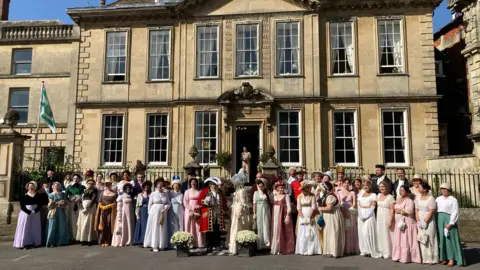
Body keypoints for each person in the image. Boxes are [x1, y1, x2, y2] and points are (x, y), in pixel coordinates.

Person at [436, 183, 465, 267]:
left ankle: (451, 259)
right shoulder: (438, 199)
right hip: (439, 218)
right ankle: (443, 258)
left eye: (445, 189)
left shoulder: (453, 200)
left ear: (449, 190)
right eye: (442, 189)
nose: (443, 190)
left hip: (448, 219)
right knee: (441, 239)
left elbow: (455, 212)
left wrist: (451, 223)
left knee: (449, 240)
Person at [392, 185, 421, 264]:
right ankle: (399, 255)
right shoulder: (398, 199)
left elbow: (410, 211)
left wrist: (400, 211)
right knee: (399, 239)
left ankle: (407, 257)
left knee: (405, 240)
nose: (400, 192)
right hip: (399, 223)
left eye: (402, 190)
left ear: (407, 191)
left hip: (407, 223)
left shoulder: (409, 200)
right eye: (400, 190)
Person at [199, 177, 228, 252]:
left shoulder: (219, 192)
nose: (215, 186)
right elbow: (199, 201)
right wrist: (205, 201)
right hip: (209, 213)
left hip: (218, 213)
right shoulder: (205, 191)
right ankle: (209, 245)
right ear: (210, 185)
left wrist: (226, 209)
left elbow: (224, 201)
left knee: (217, 229)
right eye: (213, 185)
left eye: (215, 185)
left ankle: (217, 244)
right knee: (209, 230)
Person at [318, 181, 345, 258]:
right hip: (329, 216)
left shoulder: (330, 196)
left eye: (321, 187)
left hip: (332, 216)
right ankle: (330, 250)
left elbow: (329, 208)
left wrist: (320, 208)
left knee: (332, 232)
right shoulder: (327, 195)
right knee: (329, 232)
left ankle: (333, 251)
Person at [295, 180, 322, 256]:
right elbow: (298, 208)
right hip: (302, 215)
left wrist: (309, 217)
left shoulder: (312, 196)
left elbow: (313, 207)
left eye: (306, 188)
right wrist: (303, 217)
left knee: (311, 231)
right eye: (303, 189)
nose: (305, 190)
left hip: (310, 214)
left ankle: (311, 249)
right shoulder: (299, 196)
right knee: (302, 232)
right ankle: (303, 249)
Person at [228, 169, 251, 255]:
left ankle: (235, 246)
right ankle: (240, 245)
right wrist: (244, 209)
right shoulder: (242, 191)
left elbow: (235, 202)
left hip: (235, 209)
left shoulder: (237, 191)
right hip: (240, 209)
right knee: (240, 226)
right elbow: (243, 202)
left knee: (235, 227)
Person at [143, 179, 171, 252]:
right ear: (156, 186)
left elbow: (168, 203)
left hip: (163, 211)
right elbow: (150, 204)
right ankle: (154, 245)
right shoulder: (153, 194)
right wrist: (150, 213)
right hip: (155, 211)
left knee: (162, 227)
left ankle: (161, 244)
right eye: (159, 185)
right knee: (155, 227)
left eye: (161, 185)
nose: (160, 187)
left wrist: (166, 208)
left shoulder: (165, 194)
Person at [13, 181, 42, 249]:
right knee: (25, 227)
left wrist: (35, 211)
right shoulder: (24, 196)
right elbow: (22, 206)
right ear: (27, 187)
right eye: (29, 186)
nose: (31, 187)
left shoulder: (38, 195)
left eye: (32, 186)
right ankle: (23, 243)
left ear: (35, 187)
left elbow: (40, 205)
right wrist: (28, 212)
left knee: (34, 227)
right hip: (26, 213)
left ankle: (34, 242)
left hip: (36, 213)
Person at [415, 182, 439, 265]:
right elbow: (416, 209)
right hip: (420, 217)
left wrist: (425, 221)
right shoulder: (418, 197)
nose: (418, 189)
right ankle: (425, 258)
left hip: (428, 219)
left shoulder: (431, 198)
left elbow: (431, 211)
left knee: (429, 237)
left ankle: (432, 258)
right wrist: (418, 220)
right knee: (422, 237)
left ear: (425, 189)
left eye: (420, 187)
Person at [357, 177, 381, 258]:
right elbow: (358, 205)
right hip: (361, 215)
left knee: (367, 232)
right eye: (364, 185)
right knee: (361, 233)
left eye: (366, 185)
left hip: (369, 215)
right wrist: (360, 214)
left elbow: (373, 206)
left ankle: (371, 250)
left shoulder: (373, 195)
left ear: (370, 186)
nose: (365, 187)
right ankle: (365, 250)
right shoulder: (361, 195)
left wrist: (367, 215)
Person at [270, 179, 295, 255]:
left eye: (282, 187)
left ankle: (282, 247)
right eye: (280, 187)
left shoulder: (286, 196)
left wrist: (287, 216)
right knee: (276, 229)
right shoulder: (274, 195)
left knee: (282, 229)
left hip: (282, 213)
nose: (281, 189)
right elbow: (271, 203)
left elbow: (289, 206)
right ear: (277, 188)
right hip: (275, 214)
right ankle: (275, 247)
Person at [95, 179, 118, 247]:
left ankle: (108, 240)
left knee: (108, 225)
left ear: (111, 185)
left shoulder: (114, 194)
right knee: (102, 225)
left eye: (109, 184)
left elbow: (116, 203)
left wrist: (111, 206)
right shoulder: (102, 193)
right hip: (102, 211)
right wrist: (101, 206)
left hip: (110, 212)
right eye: (106, 184)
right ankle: (102, 240)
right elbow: (99, 201)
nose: (108, 185)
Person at [45, 182, 69, 247]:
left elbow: (66, 203)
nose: (57, 187)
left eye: (58, 186)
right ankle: (51, 242)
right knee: (52, 226)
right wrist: (58, 202)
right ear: (53, 187)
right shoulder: (51, 194)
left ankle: (60, 241)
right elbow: (50, 204)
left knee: (61, 226)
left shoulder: (63, 194)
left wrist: (63, 204)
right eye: (55, 186)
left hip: (61, 211)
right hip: (54, 211)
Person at [339, 178, 358, 255]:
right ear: (342, 183)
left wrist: (349, 210)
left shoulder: (352, 193)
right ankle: (344, 248)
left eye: (348, 183)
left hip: (350, 212)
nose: (346, 184)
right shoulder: (339, 192)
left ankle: (351, 248)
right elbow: (338, 203)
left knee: (351, 229)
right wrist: (343, 211)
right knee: (344, 230)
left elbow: (354, 204)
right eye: (345, 182)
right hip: (342, 212)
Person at [183, 177, 204, 248]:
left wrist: (198, 206)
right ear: (190, 184)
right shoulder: (187, 192)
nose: (193, 184)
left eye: (194, 182)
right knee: (188, 225)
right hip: (189, 211)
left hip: (197, 210)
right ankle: (189, 243)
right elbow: (185, 202)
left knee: (197, 226)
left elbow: (201, 201)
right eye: (192, 182)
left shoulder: (199, 192)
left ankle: (198, 243)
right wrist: (190, 209)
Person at [376, 181, 395, 259]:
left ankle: (388, 252)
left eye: (383, 187)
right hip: (379, 216)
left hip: (386, 216)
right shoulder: (378, 195)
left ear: (387, 187)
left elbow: (392, 210)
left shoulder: (390, 197)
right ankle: (381, 250)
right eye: (380, 187)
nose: (382, 188)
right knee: (380, 232)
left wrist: (390, 221)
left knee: (387, 233)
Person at [76, 178, 97, 245]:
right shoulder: (84, 191)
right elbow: (80, 199)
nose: (90, 185)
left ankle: (89, 239)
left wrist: (88, 208)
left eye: (91, 184)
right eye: (89, 183)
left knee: (88, 223)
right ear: (86, 184)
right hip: (83, 208)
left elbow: (93, 199)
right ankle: (83, 239)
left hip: (90, 208)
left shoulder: (94, 191)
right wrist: (82, 208)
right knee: (82, 223)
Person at [65, 173, 85, 243]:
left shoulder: (82, 187)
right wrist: (69, 199)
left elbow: (84, 195)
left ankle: (78, 237)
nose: (75, 179)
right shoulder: (69, 187)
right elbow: (65, 196)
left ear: (79, 179)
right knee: (71, 220)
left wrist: (80, 198)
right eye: (74, 178)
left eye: (77, 178)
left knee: (78, 220)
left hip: (79, 204)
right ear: (72, 179)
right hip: (71, 205)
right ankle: (71, 236)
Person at [253, 177, 271, 250]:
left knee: (266, 225)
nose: (260, 185)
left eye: (262, 184)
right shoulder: (256, 193)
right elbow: (254, 204)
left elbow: (271, 202)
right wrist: (254, 213)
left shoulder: (267, 193)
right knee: (259, 226)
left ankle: (267, 243)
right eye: (259, 184)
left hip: (266, 210)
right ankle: (260, 244)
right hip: (259, 210)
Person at [167, 177, 184, 248]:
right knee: (173, 226)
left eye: (177, 185)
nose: (176, 186)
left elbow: (182, 203)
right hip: (172, 210)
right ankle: (172, 242)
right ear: (172, 186)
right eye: (175, 185)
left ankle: (179, 241)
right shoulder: (170, 193)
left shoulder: (181, 194)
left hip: (179, 210)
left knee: (179, 225)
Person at [134, 180, 152, 246]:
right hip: (142, 211)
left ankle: (148, 241)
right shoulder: (140, 195)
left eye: (148, 186)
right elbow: (137, 206)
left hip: (149, 211)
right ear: (143, 187)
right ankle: (142, 240)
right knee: (142, 225)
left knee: (148, 226)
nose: (146, 187)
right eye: (145, 186)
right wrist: (137, 214)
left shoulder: (151, 194)